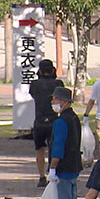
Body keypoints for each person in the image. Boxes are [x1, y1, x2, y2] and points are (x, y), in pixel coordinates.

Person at [47, 87, 85, 199]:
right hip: (74, 166)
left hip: (63, 169)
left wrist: (52, 168)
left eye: (54, 99)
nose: (52, 102)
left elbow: (58, 146)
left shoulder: (61, 121)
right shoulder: (74, 118)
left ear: (63, 101)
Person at [29, 59, 64, 187]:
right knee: (54, 148)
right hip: (54, 120)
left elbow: (33, 95)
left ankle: (41, 176)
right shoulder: (58, 84)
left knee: (39, 149)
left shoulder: (34, 84)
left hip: (39, 120)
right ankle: (52, 172)